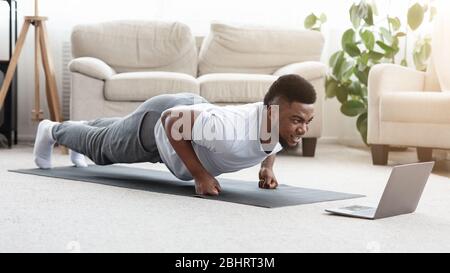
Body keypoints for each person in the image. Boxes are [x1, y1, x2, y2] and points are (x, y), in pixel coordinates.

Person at [33, 74, 316, 196]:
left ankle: (80, 128)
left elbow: (276, 141)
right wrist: (199, 174)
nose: (302, 130)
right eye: (297, 121)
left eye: (307, 121)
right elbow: (170, 121)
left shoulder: (275, 123)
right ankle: (52, 130)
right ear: (272, 113)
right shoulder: (228, 131)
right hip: (164, 121)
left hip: (192, 115)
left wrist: (266, 167)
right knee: (103, 149)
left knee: (116, 130)